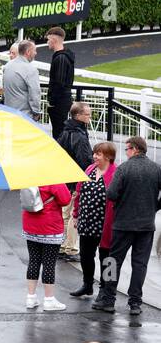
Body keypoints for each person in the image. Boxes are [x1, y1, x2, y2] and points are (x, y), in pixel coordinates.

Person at [98, 136, 161, 316]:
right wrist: (154, 206)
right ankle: (135, 303)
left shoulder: (124, 169)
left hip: (123, 224)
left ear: (134, 149)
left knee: (112, 261)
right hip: (146, 226)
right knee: (140, 264)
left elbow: (111, 194)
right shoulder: (156, 169)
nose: (125, 153)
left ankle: (109, 299)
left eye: (126, 149)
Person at [70, 142, 117, 300]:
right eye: (95, 153)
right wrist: (76, 214)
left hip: (106, 223)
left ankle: (107, 290)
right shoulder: (90, 169)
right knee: (85, 255)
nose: (95, 156)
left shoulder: (116, 173)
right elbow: (79, 191)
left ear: (108, 156)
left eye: (98, 154)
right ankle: (87, 284)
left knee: (108, 258)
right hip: (87, 221)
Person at [22, 180, 72, 311]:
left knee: (33, 260)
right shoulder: (53, 178)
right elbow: (66, 200)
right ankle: (49, 300)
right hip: (50, 226)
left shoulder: (29, 175)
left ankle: (30, 298)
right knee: (49, 263)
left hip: (30, 224)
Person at [56, 102, 94, 261]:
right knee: (73, 214)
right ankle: (70, 248)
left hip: (65, 178)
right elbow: (85, 159)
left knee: (65, 214)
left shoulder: (66, 131)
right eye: (87, 115)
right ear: (78, 116)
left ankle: (62, 245)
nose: (90, 117)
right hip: (75, 181)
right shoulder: (78, 134)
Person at [46, 26, 75, 139]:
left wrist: (52, 102)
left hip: (59, 103)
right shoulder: (63, 57)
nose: (47, 42)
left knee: (59, 134)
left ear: (54, 40)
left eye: (48, 39)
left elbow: (59, 83)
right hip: (62, 102)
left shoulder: (61, 58)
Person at [1, 40, 41, 119]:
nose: (35, 53)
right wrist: (36, 112)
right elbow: (34, 93)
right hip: (24, 115)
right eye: (34, 51)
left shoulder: (7, 66)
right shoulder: (31, 70)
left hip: (8, 113)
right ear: (28, 52)